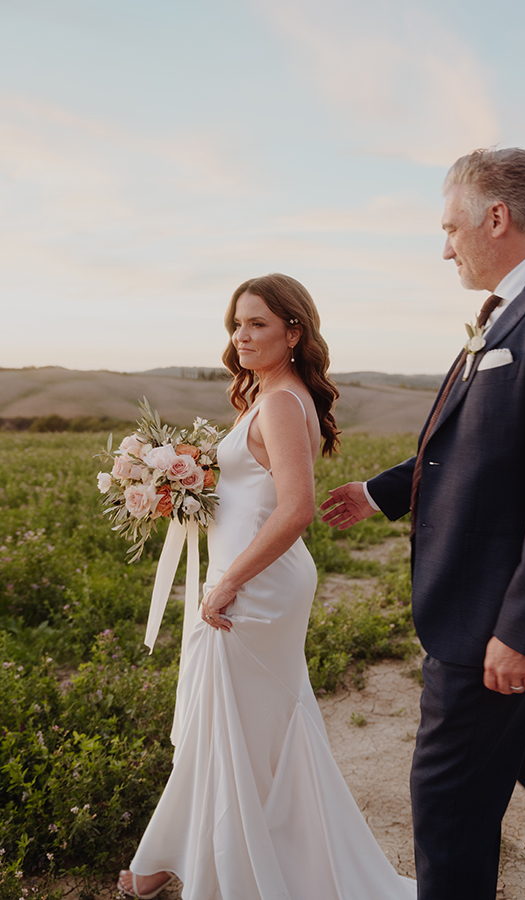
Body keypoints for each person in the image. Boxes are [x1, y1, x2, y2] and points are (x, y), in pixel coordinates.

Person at [321, 148, 525, 900]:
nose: (445, 247)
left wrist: (523, 629)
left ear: (496, 218)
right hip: (481, 608)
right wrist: (381, 493)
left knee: (445, 808)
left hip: (491, 616)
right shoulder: (511, 310)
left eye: (451, 228)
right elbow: (476, 448)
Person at [117, 274, 417, 900]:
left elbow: (295, 508)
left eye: (257, 323)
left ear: (293, 330)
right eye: (236, 323)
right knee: (229, 727)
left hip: (256, 585)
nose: (242, 335)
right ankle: (169, 860)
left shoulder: (281, 402)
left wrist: (227, 582)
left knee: (233, 726)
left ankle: (179, 865)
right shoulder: (269, 395)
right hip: (252, 574)